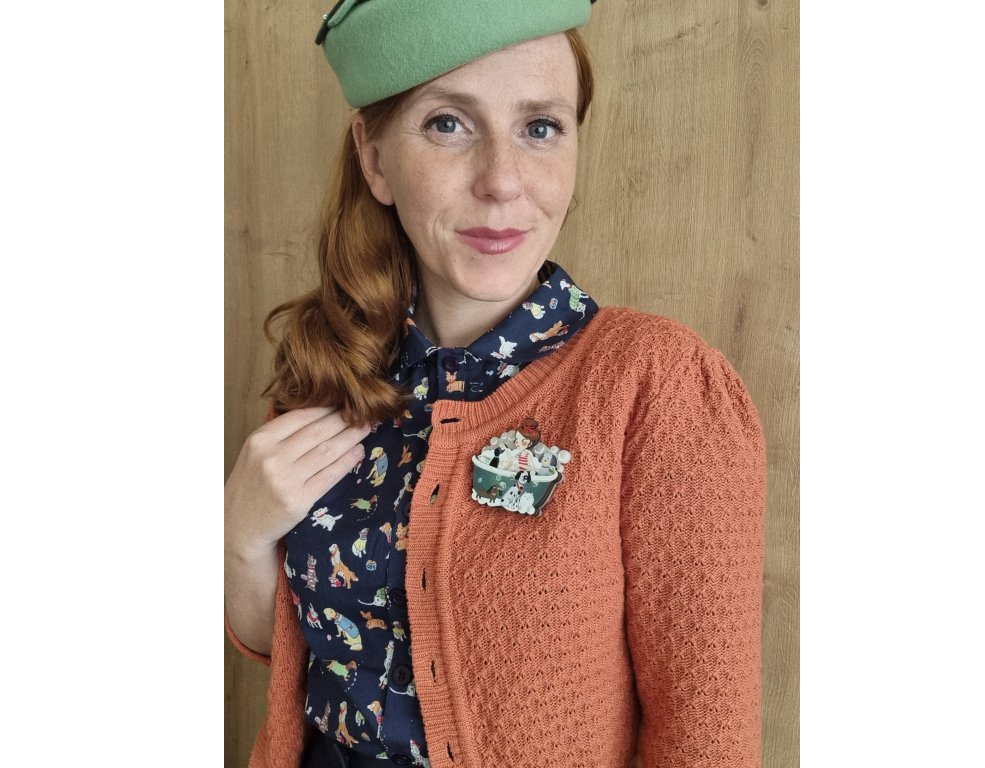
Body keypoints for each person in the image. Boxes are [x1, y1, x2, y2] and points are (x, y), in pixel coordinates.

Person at [225, 2, 766, 767]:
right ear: (375, 161)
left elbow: (706, 734)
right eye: (449, 124)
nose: (503, 181)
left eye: (540, 127)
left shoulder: (655, 386)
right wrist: (240, 539)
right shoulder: (331, 367)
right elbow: (294, 656)